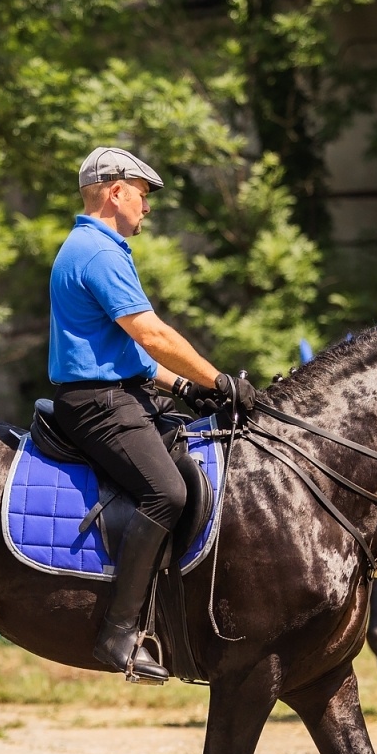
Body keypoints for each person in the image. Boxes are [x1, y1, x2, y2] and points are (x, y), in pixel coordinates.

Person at [50, 145, 256, 684]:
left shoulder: (98, 247)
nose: (146, 207)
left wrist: (187, 387)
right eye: (141, 195)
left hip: (120, 393)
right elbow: (152, 335)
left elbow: (130, 355)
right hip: (100, 404)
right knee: (167, 492)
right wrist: (220, 380)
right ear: (115, 191)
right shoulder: (98, 251)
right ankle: (118, 633)